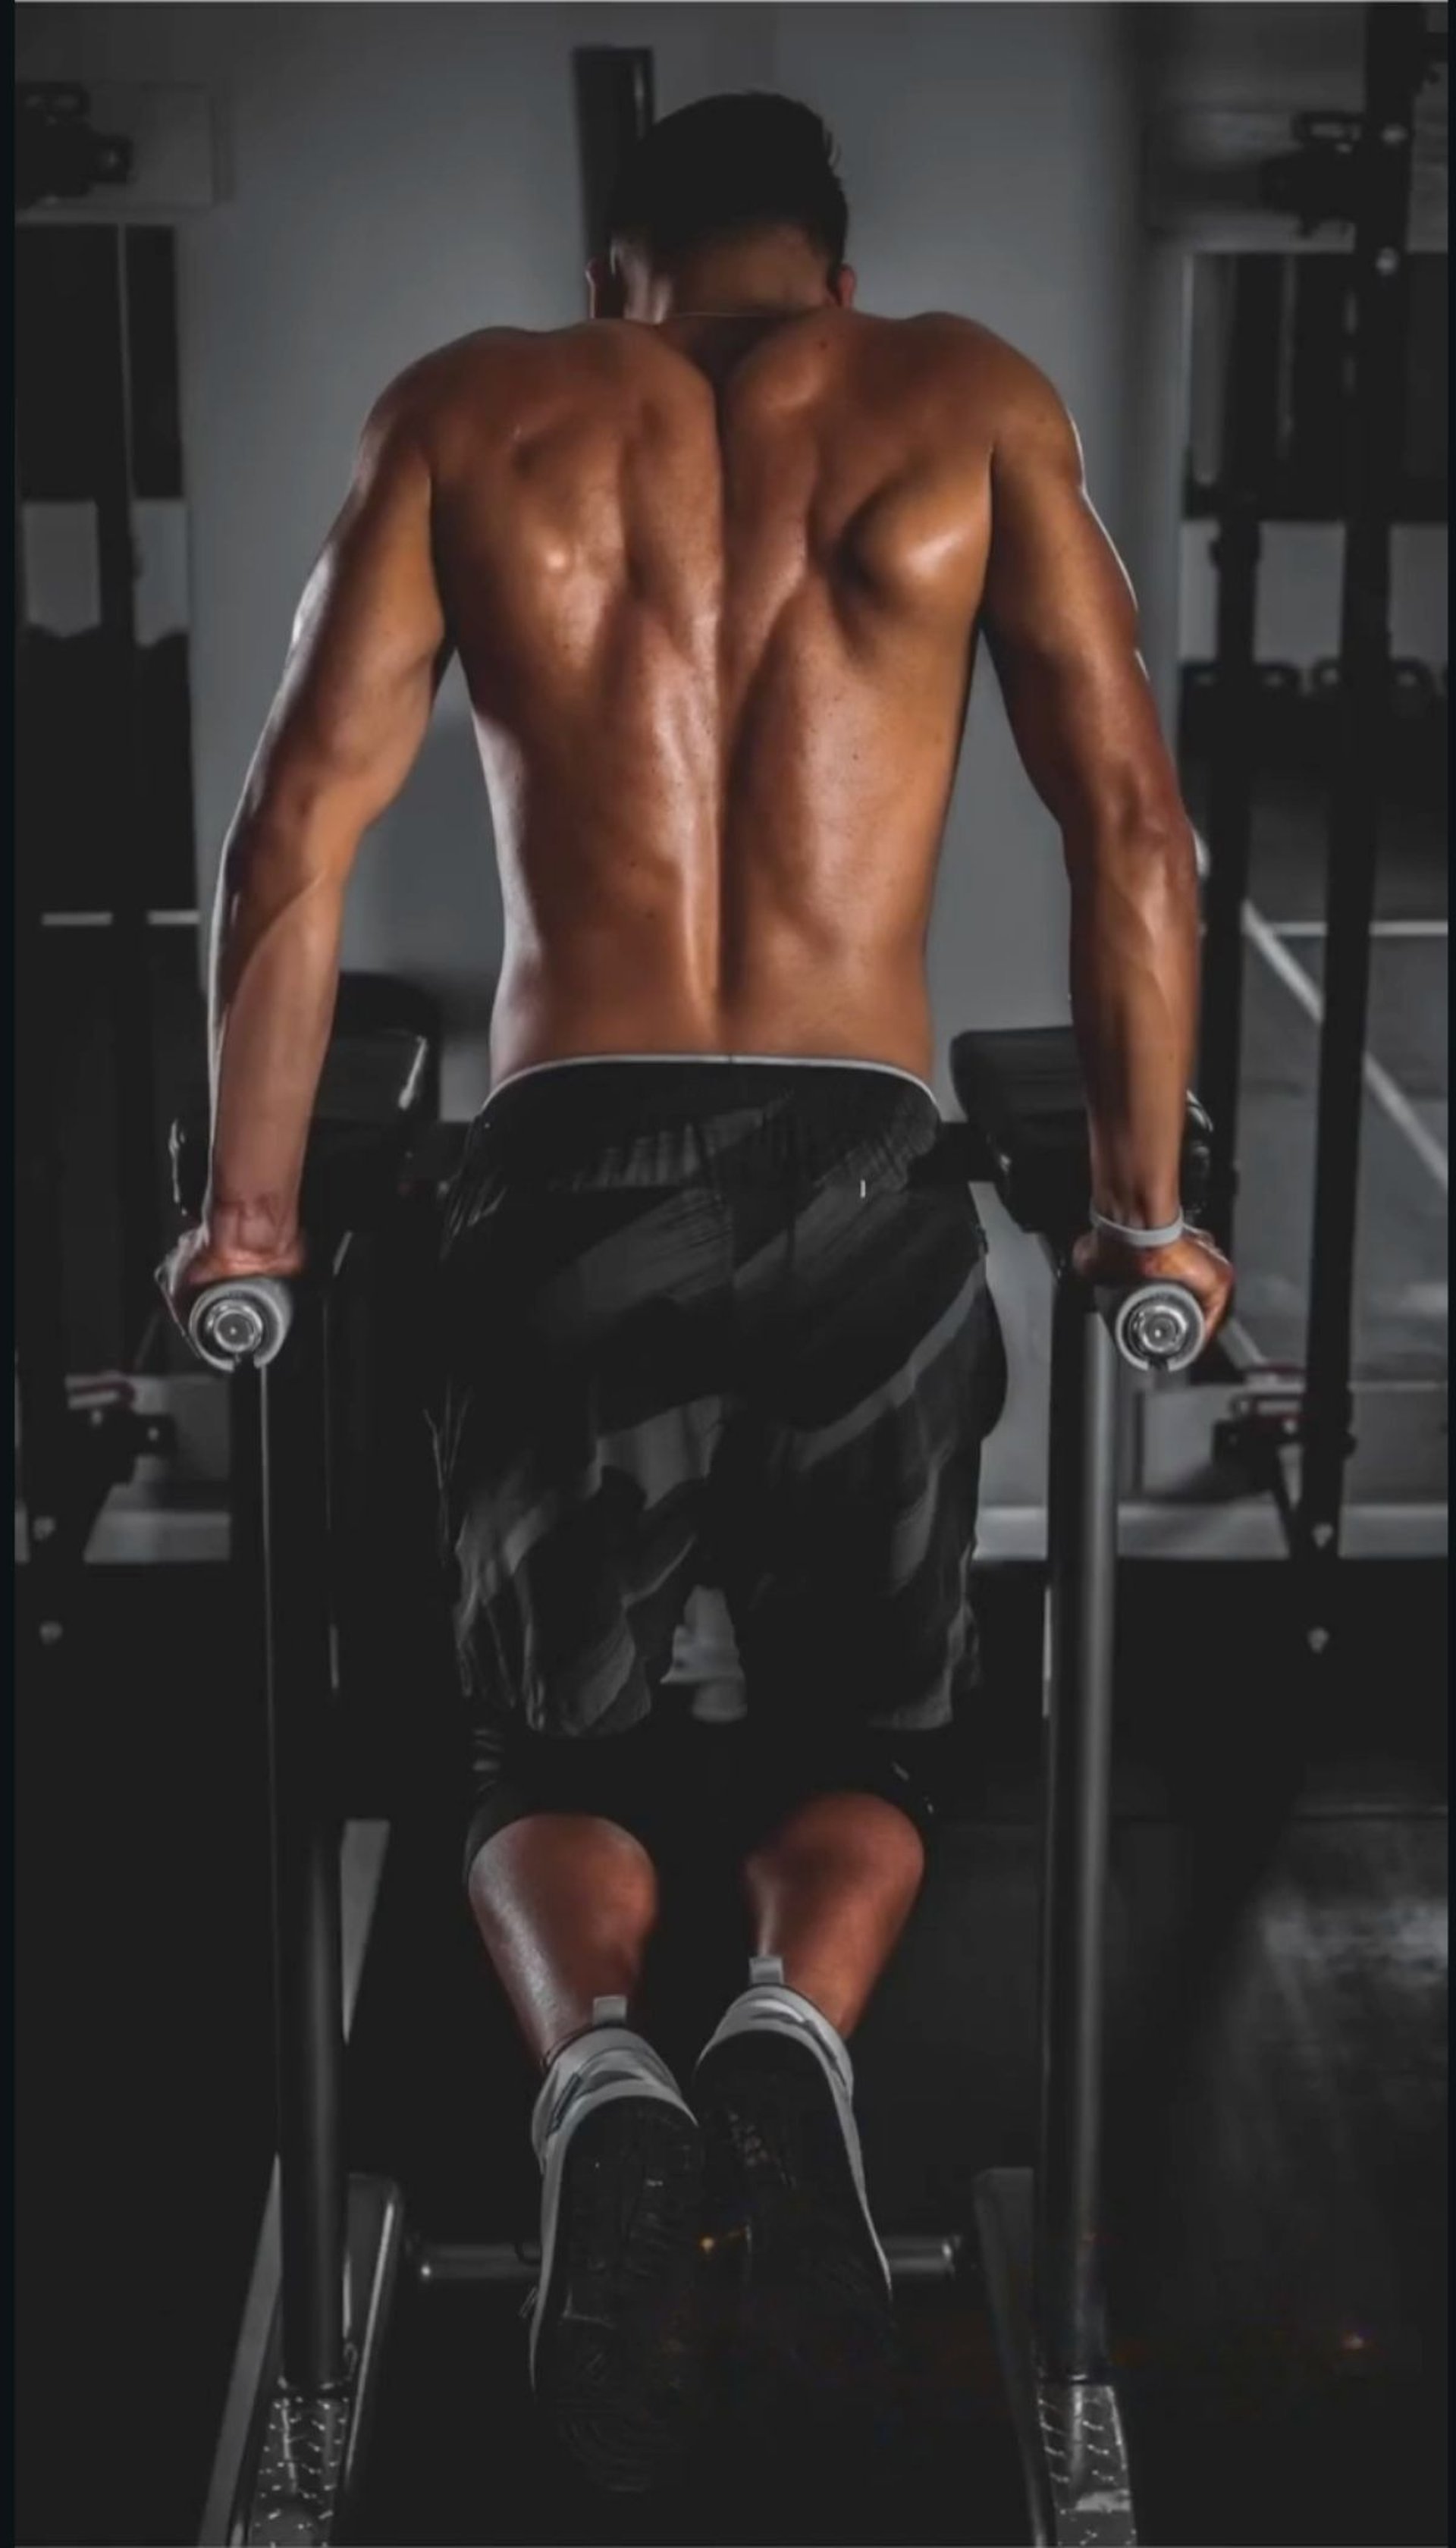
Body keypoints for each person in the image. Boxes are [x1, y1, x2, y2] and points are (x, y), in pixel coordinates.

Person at [164, 90, 1234, 2491]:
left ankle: (603, 2091)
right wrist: (1146, 1207)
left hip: (561, 1175)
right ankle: (789, 2043)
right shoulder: (969, 397)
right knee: (869, 1730)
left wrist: (245, 1225)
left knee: (536, 1749)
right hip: (862, 1165)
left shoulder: (477, 405)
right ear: (833, 272)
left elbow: (284, 846)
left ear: (612, 271)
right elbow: (1138, 827)